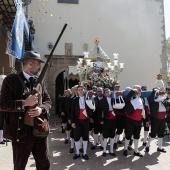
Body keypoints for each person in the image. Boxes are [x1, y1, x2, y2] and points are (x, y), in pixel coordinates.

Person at [0, 51, 52, 170]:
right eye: (38, 64)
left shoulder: (40, 81)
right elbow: (3, 104)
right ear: (30, 64)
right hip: (21, 132)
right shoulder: (10, 80)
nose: (39, 67)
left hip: (39, 130)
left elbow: (48, 101)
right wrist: (24, 103)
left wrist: (41, 109)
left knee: (44, 164)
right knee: (19, 166)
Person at [71, 85, 93, 160]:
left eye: (81, 89)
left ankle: (85, 153)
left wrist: (89, 114)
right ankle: (77, 153)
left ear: (84, 90)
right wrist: (73, 122)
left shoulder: (88, 99)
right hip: (77, 121)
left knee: (85, 137)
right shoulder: (74, 100)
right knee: (76, 137)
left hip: (85, 121)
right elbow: (72, 112)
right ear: (77, 91)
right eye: (79, 90)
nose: (80, 91)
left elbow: (92, 109)